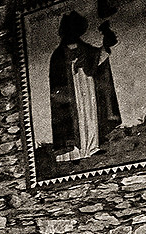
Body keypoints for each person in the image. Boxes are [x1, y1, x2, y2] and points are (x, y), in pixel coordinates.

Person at [47, 10, 121, 162]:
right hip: (70, 92)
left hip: (87, 85)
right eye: (70, 29)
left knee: (90, 114)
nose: (73, 32)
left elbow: (97, 57)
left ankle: (92, 147)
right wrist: (71, 65)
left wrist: (105, 47)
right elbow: (56, 77)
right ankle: (72, 154)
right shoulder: (58, 54)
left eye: (75, 29)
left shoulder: (85, 48)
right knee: (74, 119)